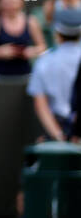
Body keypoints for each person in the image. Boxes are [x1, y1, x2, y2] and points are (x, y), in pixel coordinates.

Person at [28, 8, 81, 140]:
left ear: (57, 34)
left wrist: (59, 137)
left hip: (58, 132)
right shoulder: (44, 62)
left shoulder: (44, 62)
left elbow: (41, 105)